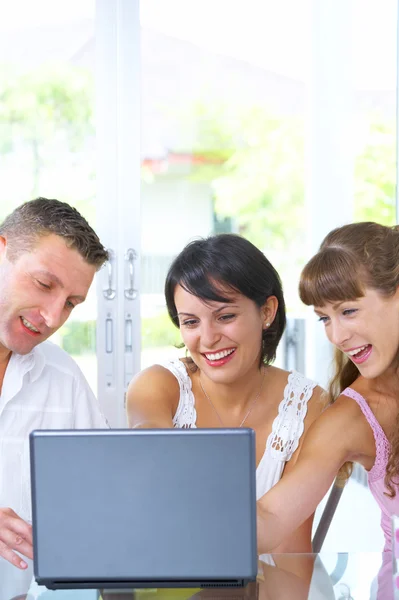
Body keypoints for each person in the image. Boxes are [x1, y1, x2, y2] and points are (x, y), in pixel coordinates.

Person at [127, 233, 325, 579]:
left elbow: (292, 557)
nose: (207, 338)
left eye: (224, 316)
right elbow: (152, 458)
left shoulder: (308, 406)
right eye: (190, 321)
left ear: (267, 311)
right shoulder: (158, 386)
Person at [257, 221, 399, 599]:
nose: (337, 336)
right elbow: (270, 519)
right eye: (324, 318)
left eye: (348, 311)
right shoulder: (352, 417)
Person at [0, 197, 109, 599]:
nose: (52, 317)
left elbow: (103, 499)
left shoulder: (63, 380)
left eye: (71, 303)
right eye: (44, 284)